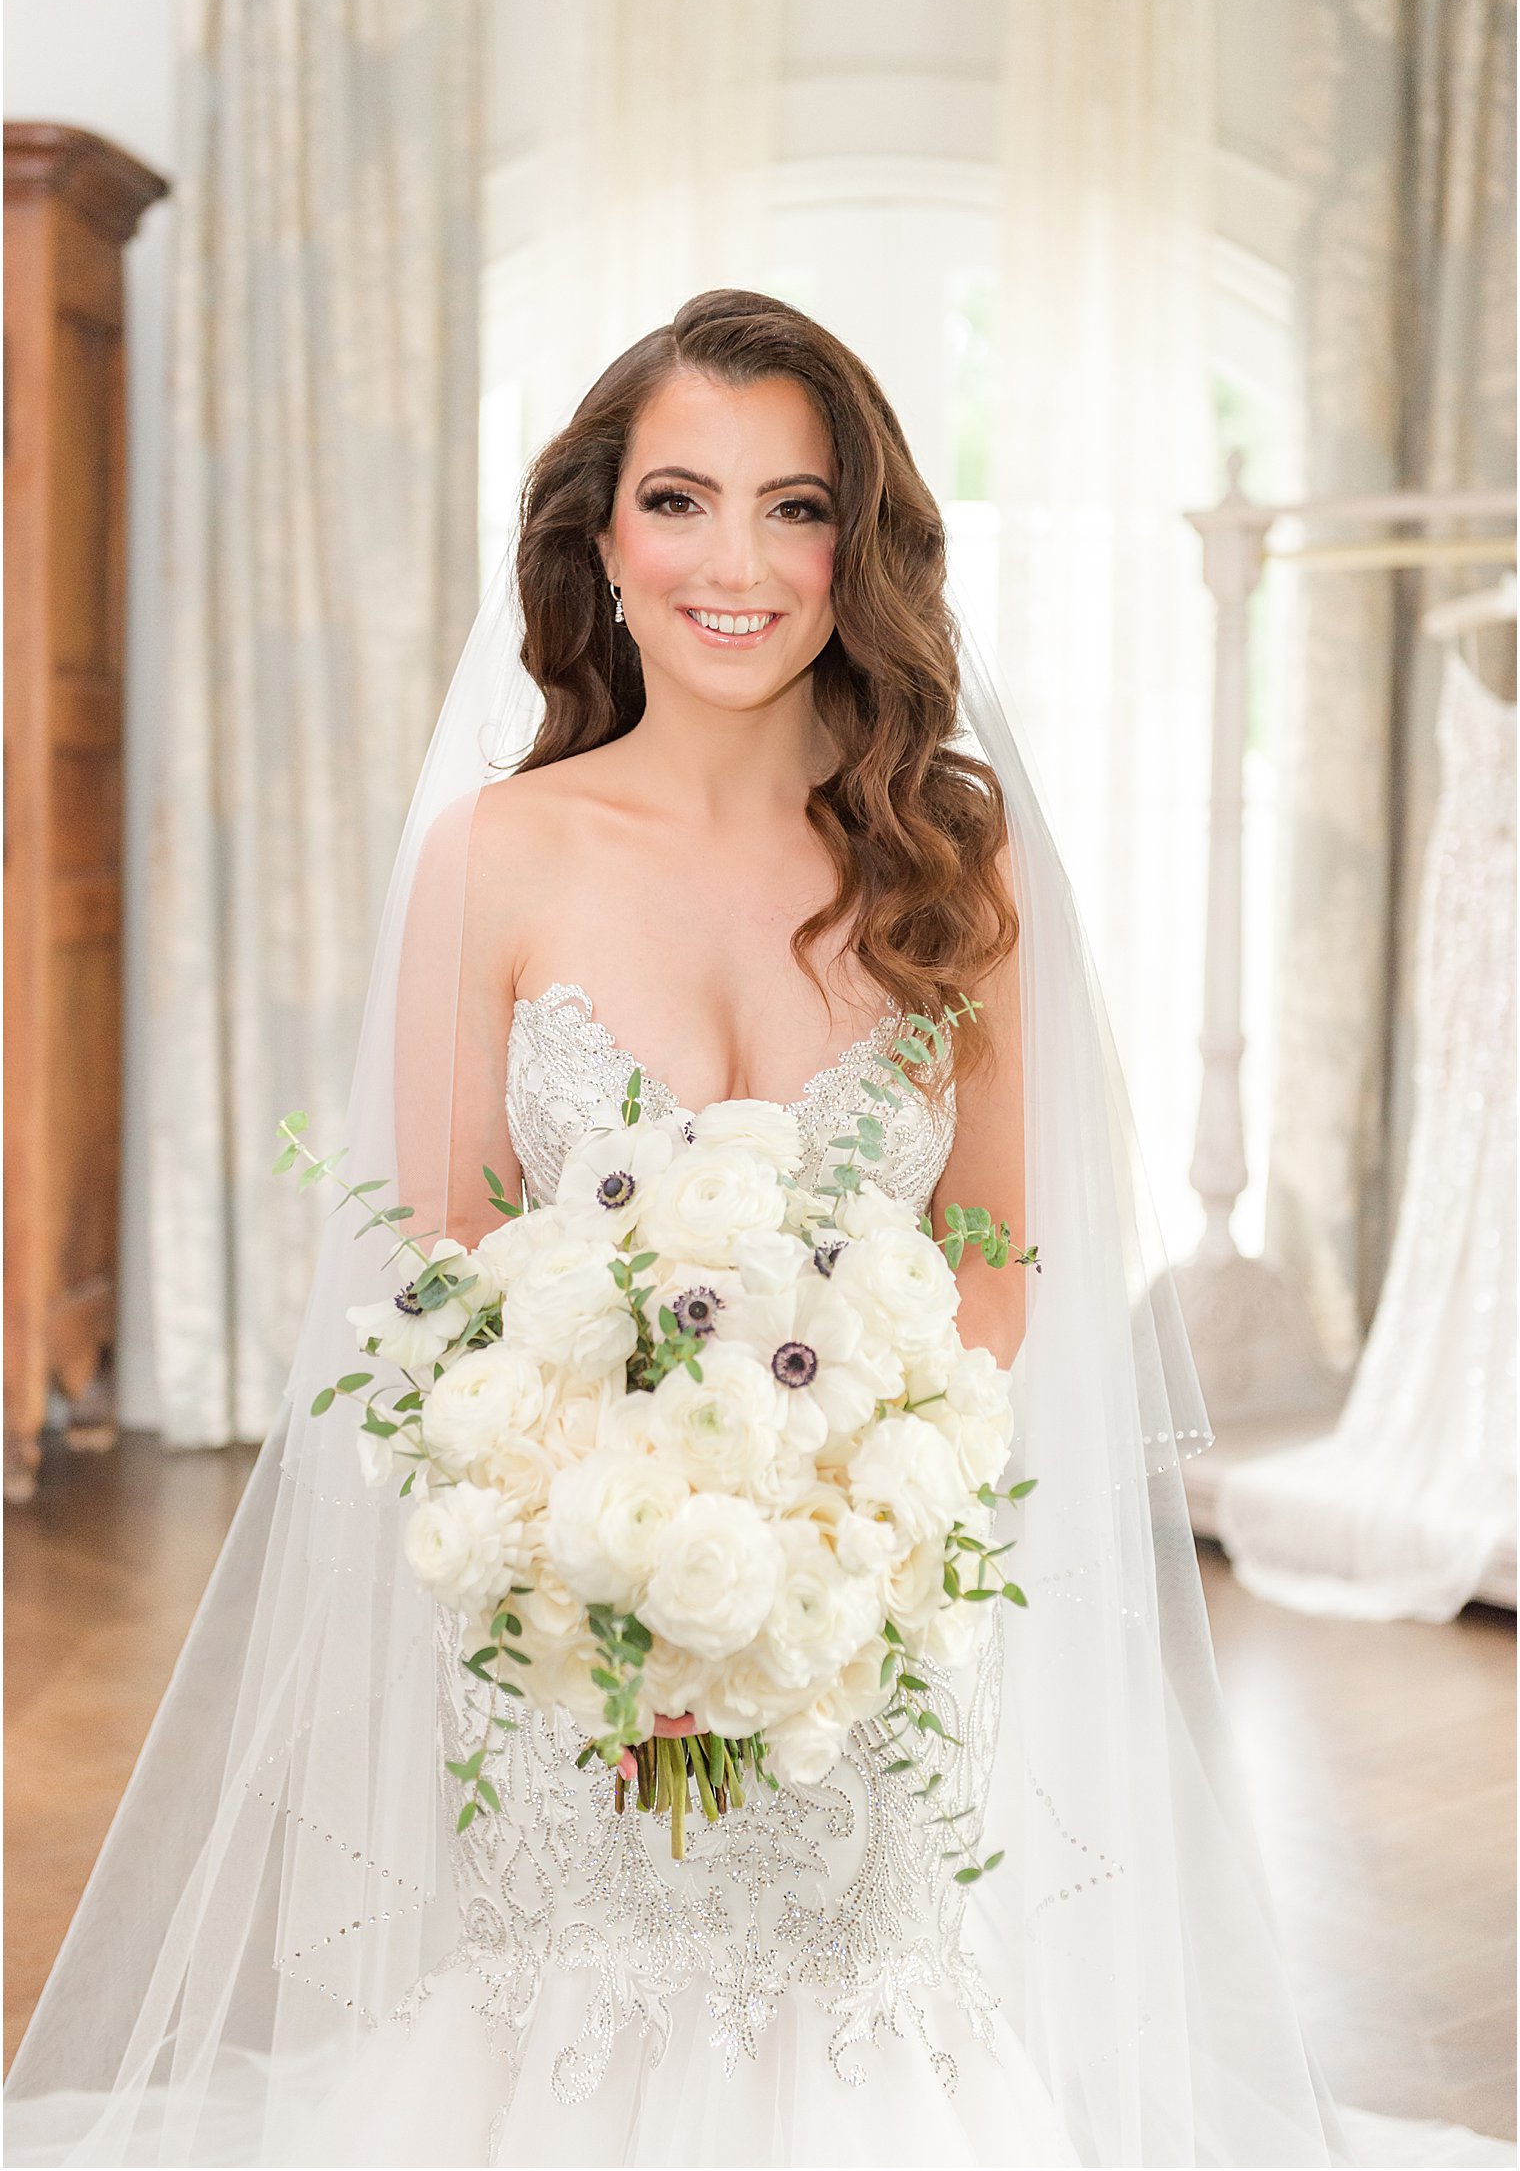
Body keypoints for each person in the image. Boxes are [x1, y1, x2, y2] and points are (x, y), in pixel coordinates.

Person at [4, 291, 1510, 2169]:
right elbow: (450, 1250)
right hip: (572, 1604)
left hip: (867, 1614)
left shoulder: (954, 858)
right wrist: (602, 1567)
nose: (738, 561)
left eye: (796, 508)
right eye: (681, 500)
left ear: (857, 547)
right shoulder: (501, 853)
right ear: (601, 543)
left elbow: (1000, 1250)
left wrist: (843, 1538)